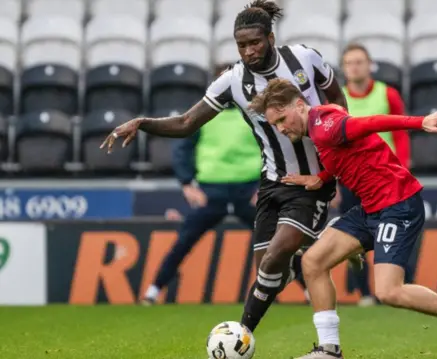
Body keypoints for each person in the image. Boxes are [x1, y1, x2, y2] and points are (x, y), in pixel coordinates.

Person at [100, 0, 349, 332]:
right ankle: (327, 246)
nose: (247, 51)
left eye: (254, 43)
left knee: (276, 255)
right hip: (273, 181)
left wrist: (336, 153)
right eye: (241, 45)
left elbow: (337, 98)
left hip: (312, 180)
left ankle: (243, 334)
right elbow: (187, 122)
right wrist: (143, 122)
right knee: (268, 270)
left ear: (270, 38)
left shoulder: (304, 57)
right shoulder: (233, 81)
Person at [248, 78, 437, 359]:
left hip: (398, 204)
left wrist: (420, 122)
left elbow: (370, 123)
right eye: (275, 125)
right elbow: (346, 155)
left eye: (282, 119)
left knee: (389, 291)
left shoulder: (324, 127)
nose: (282, 128)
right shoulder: (319, 126)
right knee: (313, 262)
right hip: (371, 208)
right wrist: (319, 178)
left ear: (299, 105)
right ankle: (329, 349)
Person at [140, 65, 263, 305]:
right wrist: (187, 184)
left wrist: (266, 187)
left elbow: (273, 150)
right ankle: (153, 292)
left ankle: (309, 291)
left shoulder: (255, 112)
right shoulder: (204, 113)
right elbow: (182, 149)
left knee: (277, 243)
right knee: (184, 241)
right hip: (211, 191)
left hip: (249, 191)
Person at [338, 43, 412, 306]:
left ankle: (402, 289)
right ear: (344, 69)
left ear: (369, 65)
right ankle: (364, 293)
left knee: (396, 233)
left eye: (359, 61)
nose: (354, 67)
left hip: (386, 178)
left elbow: (400, 134)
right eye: (349, 63)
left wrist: (402, 169)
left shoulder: (387, 94)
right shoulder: (339, 99)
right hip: (352, 181)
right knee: (353, 242)